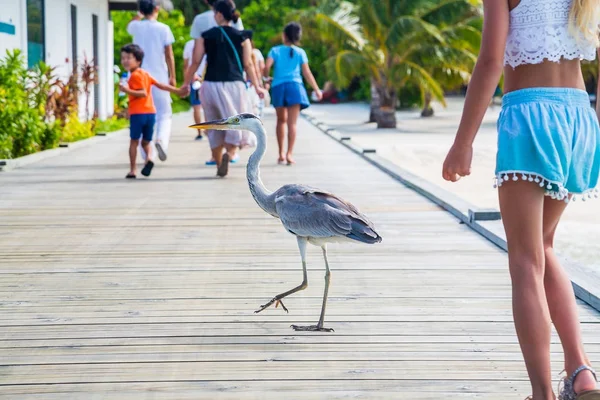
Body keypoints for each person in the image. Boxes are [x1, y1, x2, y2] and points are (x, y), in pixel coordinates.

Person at [442, 1, 600, 399]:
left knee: (525, 261)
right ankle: (579, 370)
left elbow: (491, 59)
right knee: (543, 247)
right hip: (580, 117)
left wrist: (462, 144)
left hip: (531, 114)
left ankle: (542, 393)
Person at [183, 0, 265, 178]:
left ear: (219, 14)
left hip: (211, 84)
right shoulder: (243, 36)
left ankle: (219, 161)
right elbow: (249, 63)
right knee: (235, 123)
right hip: (234, 85)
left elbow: (195, 61)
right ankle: (230, 153)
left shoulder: (206, 35)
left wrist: (185, 83)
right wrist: (258, 86)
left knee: (213, 124)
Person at [119, 44, 184, 179]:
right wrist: (178, 91)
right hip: (150, 113)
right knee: (146, 142)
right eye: (123, 58)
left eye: (128, 58)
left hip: (138, 114)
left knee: (134, 142)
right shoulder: (145, 74)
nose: (125, 61)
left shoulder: (135, 75)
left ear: (138, 60)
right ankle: (149, 159)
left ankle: (133, 170)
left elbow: (142, 93)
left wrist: (126, 90)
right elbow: (161, 85)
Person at [264, 22, 322, 165]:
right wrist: (316, 89)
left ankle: (281, 154)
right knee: (292, 123)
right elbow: (307, 73)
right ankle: (290, 154)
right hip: (295, 87)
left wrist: (266, 79)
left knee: (280, 121)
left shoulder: (275, 50)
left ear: (284, 36)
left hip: (279, 87)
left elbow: (266, 67)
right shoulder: (300, 52)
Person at [127, 0, 176, 163]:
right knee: (164, 114)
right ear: (157, 9)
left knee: (142, 115)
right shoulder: (164, 28)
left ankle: (147, 155)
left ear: (141, 10)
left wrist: (139, 13)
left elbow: (131, 24)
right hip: (159, 77)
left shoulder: (136, 27)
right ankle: (161, 140)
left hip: (138, 78)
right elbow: (169, 55)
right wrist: (173, 76)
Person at [183, 39, 207, 140]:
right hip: (208, 79)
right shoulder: (210, 40)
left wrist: (186, 83)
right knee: (209, 106)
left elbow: (186, 66)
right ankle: (210, 130)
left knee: (196, 107)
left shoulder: (189, 44)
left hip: (194, 78)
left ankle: (200, 132)